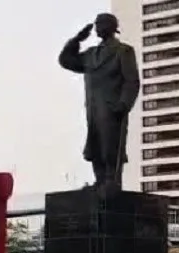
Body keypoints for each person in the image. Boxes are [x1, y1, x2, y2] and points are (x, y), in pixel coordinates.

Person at [58, 13, 140, 190]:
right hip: (94, 109)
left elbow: (132, 81)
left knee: (111, 145)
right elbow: (65, 61)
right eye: (96, 24)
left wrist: (124, 104)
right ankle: (100, 180)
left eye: (100, 24)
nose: (97, 27)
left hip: (112, 109)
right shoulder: (90, 55)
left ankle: (112, 181)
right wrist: (77, 40)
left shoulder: (123, 51)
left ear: (111, 27)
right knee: (95, 146)